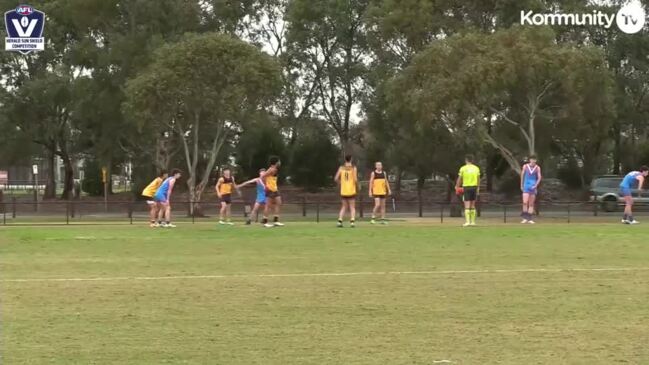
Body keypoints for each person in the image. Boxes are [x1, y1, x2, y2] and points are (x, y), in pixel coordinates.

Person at [455, 155, 481, 227]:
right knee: (472, 205)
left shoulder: (463, 168)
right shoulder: (476, 168)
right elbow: (478, 179)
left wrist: (457, 186)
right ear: (472, 160)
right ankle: (473, 222)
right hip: (474, 187)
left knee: (467, 205)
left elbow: (460, 178)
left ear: (466, 160)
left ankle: (467, 222)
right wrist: (478, 187)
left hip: (466, 187)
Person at [335, 154, 359, 228]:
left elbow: (336, 178)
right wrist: (358, 186)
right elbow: (355, 179)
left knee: (344, 206)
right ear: (351, 159)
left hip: (344, 190)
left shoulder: (341, 168)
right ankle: (352, 222)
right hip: (351, 190)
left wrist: (341, 183)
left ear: (345, 159)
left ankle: (340, 221)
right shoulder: (353, 168)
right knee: (352, 207)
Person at [260, 156, 284, 228]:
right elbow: (263, 176)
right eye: (279, 161)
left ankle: (276, 221)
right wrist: (266, 186)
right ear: (276, 162)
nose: (280, 162)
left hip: (275, 189)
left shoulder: (275, 169)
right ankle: (265, 222)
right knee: (268, 205)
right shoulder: (271, 169)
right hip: (270, 189)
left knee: (279, 203)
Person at [520, 156, 542, 224]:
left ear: (535, 160)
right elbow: (522, 175)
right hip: (526, 186)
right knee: (525, 202)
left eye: (534, 160)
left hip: (533, 186)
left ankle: (529, 218)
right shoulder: (525, 166)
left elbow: (539, 177)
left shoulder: (537, 168)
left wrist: (535, 185)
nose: (533, 161)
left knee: (531, 204)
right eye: (532, 160)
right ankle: (525, 217)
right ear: (530, 160)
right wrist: (521, 185)